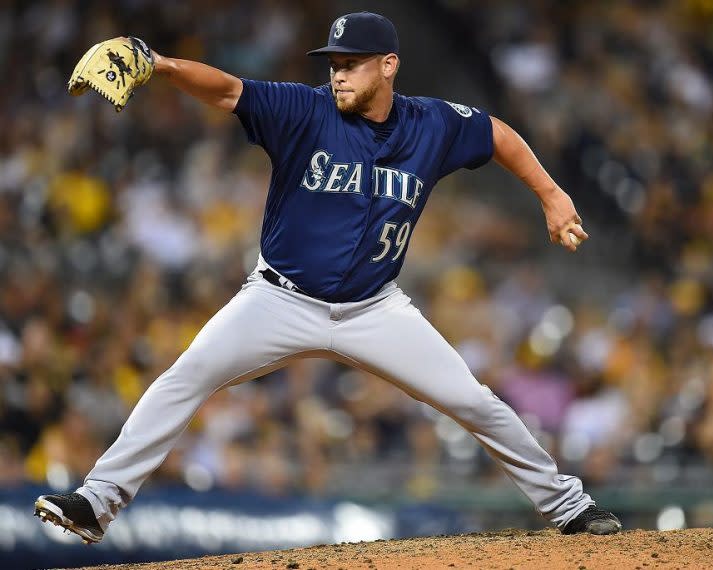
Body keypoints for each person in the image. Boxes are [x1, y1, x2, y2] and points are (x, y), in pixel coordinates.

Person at [34, 12, 621, 544]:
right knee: (185, 376)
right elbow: (229, 89)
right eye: (333, 64)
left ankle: (569, 505)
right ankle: (96, 501)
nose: (337, 75)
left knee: (475, 402)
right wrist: (159, 63)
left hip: (374, 309)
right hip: (278, 298)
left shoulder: (432, 125)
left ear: (388, 66)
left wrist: (550, 193)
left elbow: (495, 132)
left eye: (350, 65)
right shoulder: (303, 109)